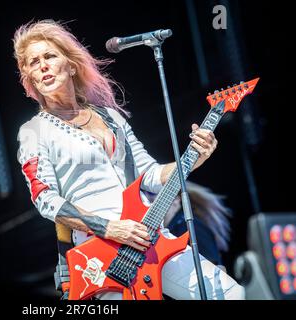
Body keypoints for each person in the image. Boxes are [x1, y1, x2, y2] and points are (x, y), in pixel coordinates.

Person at [14, 19, 244, 300]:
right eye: (33, 62)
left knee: (231, 294)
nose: (42, 66)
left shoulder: (111, 117)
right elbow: (45, 200)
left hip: (149, 236)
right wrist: (110, 227)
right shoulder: (34, 131)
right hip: (102, 252)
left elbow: (149, 175)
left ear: (72, 65)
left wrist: (195, 158)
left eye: (49, 56)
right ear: (30, 77)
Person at [162, 181, 233, 268]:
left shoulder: (190, 227)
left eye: (153, 196)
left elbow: (215, 267)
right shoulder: (172, 230)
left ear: (176, 200)